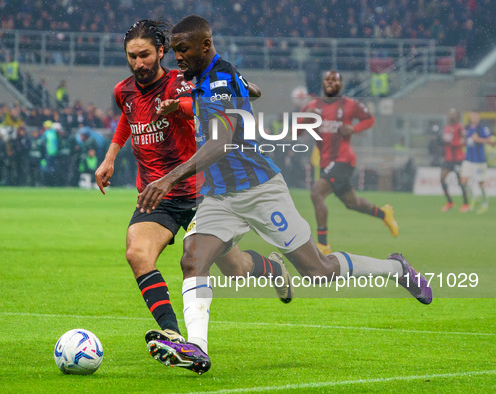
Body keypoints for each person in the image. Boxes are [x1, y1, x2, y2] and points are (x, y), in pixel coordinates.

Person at [138, 15, 432, 375]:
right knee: (192, 259)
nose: (176, 57)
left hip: (260, 191)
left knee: (317, 271)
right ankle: (198, 348)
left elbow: (219, 143)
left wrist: (168, 179)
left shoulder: (218, 81)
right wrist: (236, 92)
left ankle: (394, 268)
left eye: (182, 50)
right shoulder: (212, 76)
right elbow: (254, 90)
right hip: (219, 196)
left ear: (205, 46)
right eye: (175, 50)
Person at [94, 19, 293, 351]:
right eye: (131, 56)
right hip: (157, 194)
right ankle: (171, 333)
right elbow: (129, 116)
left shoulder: (182, 82)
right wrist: (111, 155)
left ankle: (273, 269)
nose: (138, 63)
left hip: (201, 192)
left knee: (236, 269)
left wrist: (184, 106)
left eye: (144, 55)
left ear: (161, 52)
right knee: (137, 253)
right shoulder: (123, 91)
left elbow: (206, 105)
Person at [302, 70, 399, 255]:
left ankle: (323, 245)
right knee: (352, 203)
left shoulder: (350, 104)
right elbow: (295, 131)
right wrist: (307, 118)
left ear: (341, 84)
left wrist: (353, 128)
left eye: (335, 80)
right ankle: (384, 213)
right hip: (326, 162)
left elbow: (370, 119)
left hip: (344, 160)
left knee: (316, 193)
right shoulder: (312, 106)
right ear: (323, 83)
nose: (330, 82)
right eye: (327, 80)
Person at [460, 110, 495, 214]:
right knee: (463, 182)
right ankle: (474, 198)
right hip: (468, 160)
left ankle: (484, 204)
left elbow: (492, 142)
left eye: (475, 115)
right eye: (471, 115)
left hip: (479, 161)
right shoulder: (467, 128)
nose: (473, 117)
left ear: (478, 117)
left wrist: (478, 139)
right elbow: (466, 142)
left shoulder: (482, 129)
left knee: (481, 183)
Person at [440, 108, 469, 212]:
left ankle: (466, 203)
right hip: (448, 159)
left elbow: (464, 142)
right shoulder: (446, 127)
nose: (451, 116)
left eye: (453, 114)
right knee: (442, 179)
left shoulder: (460, 127)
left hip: (458, 159)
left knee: (460, 182)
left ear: (457, 116)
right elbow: (444, 141)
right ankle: (450, 202)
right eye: (450, 114)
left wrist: (453, 142)